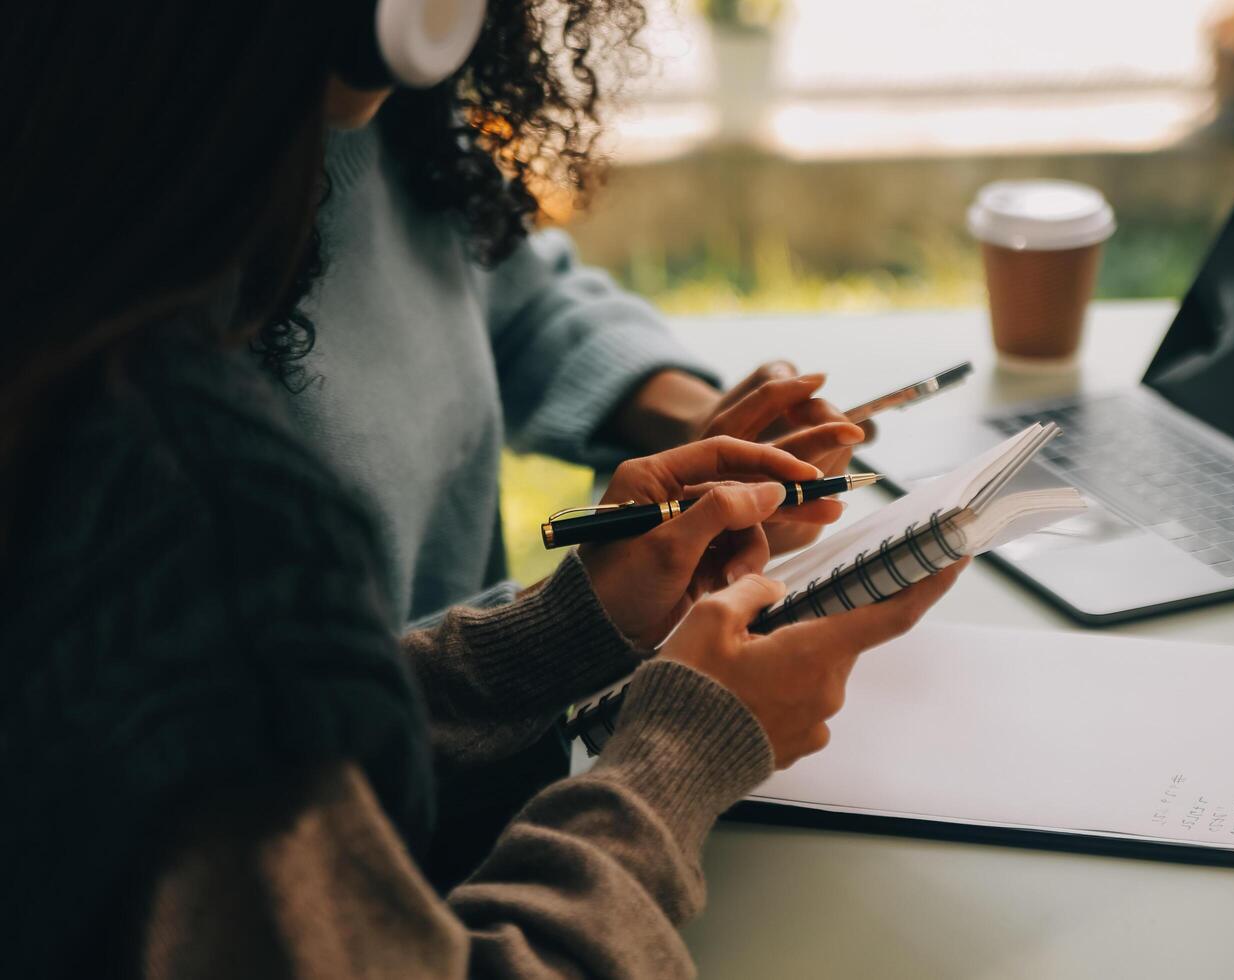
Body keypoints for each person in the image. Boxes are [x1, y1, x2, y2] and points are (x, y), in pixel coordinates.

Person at [0, 2, 961, 977]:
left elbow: (281, 734)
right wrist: (684, 750)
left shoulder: (366, 111)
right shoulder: (193, 503)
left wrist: (566, 624)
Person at [293, 0, 862, 628]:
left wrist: (694, 418)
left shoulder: (397, 115)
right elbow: (276, 719)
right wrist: (563, 626)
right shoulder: (179, 281)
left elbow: (519, 303)